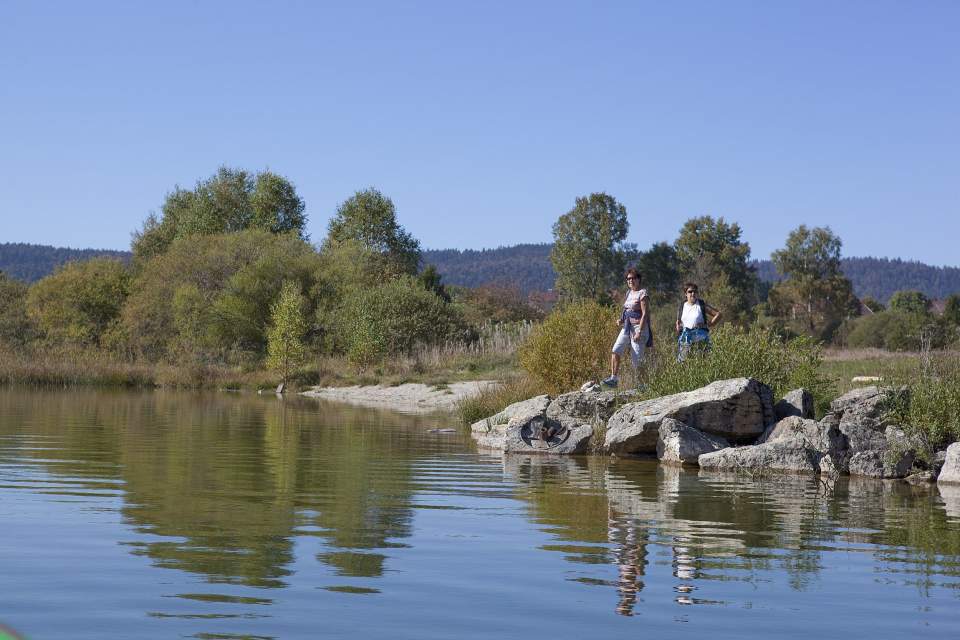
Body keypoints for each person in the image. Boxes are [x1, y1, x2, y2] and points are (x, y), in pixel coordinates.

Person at [602, 268, 653, 388]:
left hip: (638, 328)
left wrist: (639, 331)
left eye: (633, 278)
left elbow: (645, 314)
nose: (630, 280)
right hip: (627, 327)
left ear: (638, 279)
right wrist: (621, 319)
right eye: (628, 278)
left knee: (637, 359)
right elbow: (626, 310)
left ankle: (642, 386)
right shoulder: (628, 293)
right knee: (616, 350)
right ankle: (614, 379)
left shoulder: (643, 293)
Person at [675, 283, 721, 362]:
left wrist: (707, 324)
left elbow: (718, 314)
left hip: (700, 339)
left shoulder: (701, 305)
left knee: (702, 362)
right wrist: (678, 326)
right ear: (685, 294)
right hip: (685, 339)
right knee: (683, 363)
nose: (693, 294)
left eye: (695, 292)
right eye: (690, 291)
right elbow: (678, 321)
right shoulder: (682, 306)